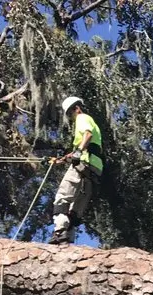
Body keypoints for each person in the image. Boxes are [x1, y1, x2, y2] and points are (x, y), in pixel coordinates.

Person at [51, 96, 104, 245]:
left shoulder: (82, 118)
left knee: (62, 197)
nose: (70, 117)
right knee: (76, 207)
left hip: (83, 164)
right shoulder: (90, 121)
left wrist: (78, 152)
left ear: (77, 108)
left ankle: (59, 231)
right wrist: (62, 159)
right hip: (94, 169)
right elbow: (84, 145)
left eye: (70, 114)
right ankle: (68, 237)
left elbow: (87, 135)